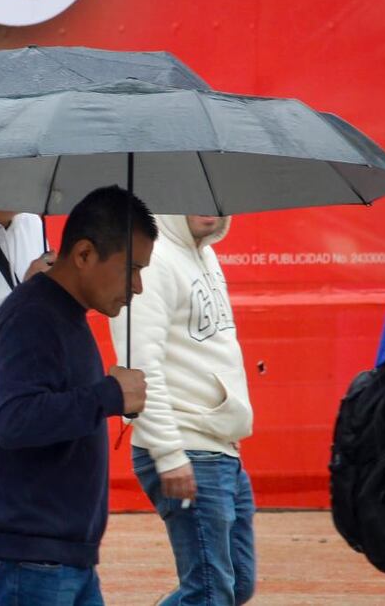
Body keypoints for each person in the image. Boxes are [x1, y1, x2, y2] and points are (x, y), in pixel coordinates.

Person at [0, 185, 154, 605]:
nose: (137, 286)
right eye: (130, 268)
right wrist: (108, 395)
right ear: (83, 255)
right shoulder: (34, 316)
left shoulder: (62, 313)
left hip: (54, 556)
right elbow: (14, 420)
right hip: (23, 560)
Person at [110, 214, 256, 605]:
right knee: (210, 592)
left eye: (215, 195)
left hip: (220, 447)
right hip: (186, 447)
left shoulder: (204, 254)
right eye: (194, 195)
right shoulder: (152, 261)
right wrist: (170, 454)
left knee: (235, 584)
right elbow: (140, 367)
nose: (208, 207)